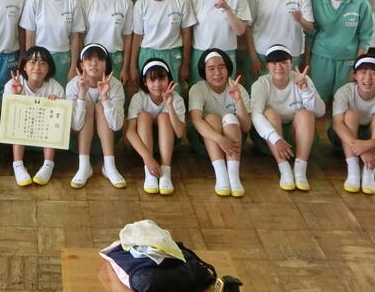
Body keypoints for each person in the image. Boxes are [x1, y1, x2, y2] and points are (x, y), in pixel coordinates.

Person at [250, 44, 325, 192]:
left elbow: (320, 112)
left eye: (284, 62)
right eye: (274, 63)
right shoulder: (261, 84)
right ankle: (284, 168)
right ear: (267, 66)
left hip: (299, 137)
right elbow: (255, 115)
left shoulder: (302, 79)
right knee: (270, 113)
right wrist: (276, 139)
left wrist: (305, 90)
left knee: (306, 114)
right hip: (271, 141)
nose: (279, 67)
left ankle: (300, 169)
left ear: (291, 63)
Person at [306, 0, 373, 103]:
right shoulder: (315, 0)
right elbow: (310, 35)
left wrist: (358, 67)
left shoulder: (361, 3)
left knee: (343, 102)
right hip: (321, 58)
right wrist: (307, 62)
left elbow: (365, 37)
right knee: (317, 102)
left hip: (348, 60)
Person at [188, 49, 252, 197]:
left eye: (221, 67)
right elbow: (196, 121)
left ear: (228, 68)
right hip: (205, 142)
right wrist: (220, 139)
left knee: (230, 117)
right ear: (204, 71)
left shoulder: (238, 88)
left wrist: (238, 99)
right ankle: (221, 175)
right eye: (211, 68)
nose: (217, 73)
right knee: (211, 118)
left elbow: (246, 126)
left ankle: (233, 176)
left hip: (233, 142)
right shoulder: (197, 89)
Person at [331, 54, 375, 195]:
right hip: (345, 138)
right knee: (350, 115)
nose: (368, 78)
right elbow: (337, 125)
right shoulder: (345, 91)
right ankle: (353, 170)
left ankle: (369, 172)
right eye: (363, 72)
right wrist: (362, 150)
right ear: (355, 75)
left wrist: (367, 145)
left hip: (374, 140)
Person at [65, 43, 126, 189]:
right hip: (78, 141)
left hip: (108, 139)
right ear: (82, 65)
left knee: (100, 106)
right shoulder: (73, 85)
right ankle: (84, 166)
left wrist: (105, 97)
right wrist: (81, 94)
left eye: (99, 59)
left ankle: (109, 166)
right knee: (87, 105)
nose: (94, 63)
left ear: (106, 64)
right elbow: (75, 126)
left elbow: (117, 125)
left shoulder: (115, 85)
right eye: (89, 59)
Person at [20, 0, 85, 87]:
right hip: (39, 58)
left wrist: (73, 66)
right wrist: (30, 63)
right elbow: (30, 36)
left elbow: (75, 37)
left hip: (63, 58)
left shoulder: (73, 2)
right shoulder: (34, 1)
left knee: (61, 94)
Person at [5, 46, 65, 187]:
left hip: (45, 138)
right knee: (18, 115)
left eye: (43, 63)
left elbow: (61, 123)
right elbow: (8, 118)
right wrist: (16, 97)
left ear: (49, 69)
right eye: (32, 62)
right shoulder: (13, 84)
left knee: (51, 117)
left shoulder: (56, 88)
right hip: (20, 140)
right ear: (24, 67)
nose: (37, 67)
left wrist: (56, 105)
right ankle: (18, 165)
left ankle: (48, 165)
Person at [124, 58, 186, 195]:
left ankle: (165, 171)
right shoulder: (139, 98)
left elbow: (180, 133)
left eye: (162, 78)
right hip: (143, 147)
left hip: (169, 145)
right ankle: (149, 173)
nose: (157, 84)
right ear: (145, 82)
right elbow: (129, 132)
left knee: (164, 116)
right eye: (152, 80)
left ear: (169, 79)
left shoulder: (176, 98)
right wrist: (148, 159)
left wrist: (169, 105)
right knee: (144, 116)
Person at [130, 0, 196, 89]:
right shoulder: (141, 4)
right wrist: (132, 66)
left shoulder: (181, 1)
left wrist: (185, 64)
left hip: (172, 54)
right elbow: (137, 36)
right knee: (149, 92)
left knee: (173, 92)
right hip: (148, 54)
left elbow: (187, 34)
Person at [188, 0, 251, 86]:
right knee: (198, 91)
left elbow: (240, 31)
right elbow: (187, 32)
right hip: (200, 53)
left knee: (228, 91)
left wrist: (227, 8)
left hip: (226, 53)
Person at [77, 0, 134, 85]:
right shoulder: (84, 1)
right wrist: (81, 61)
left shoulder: (126, 3)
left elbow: (127, 37)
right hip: (90, 59)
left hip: (115, 58)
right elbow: (79, 35)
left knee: (114, 94)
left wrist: (125, 68)